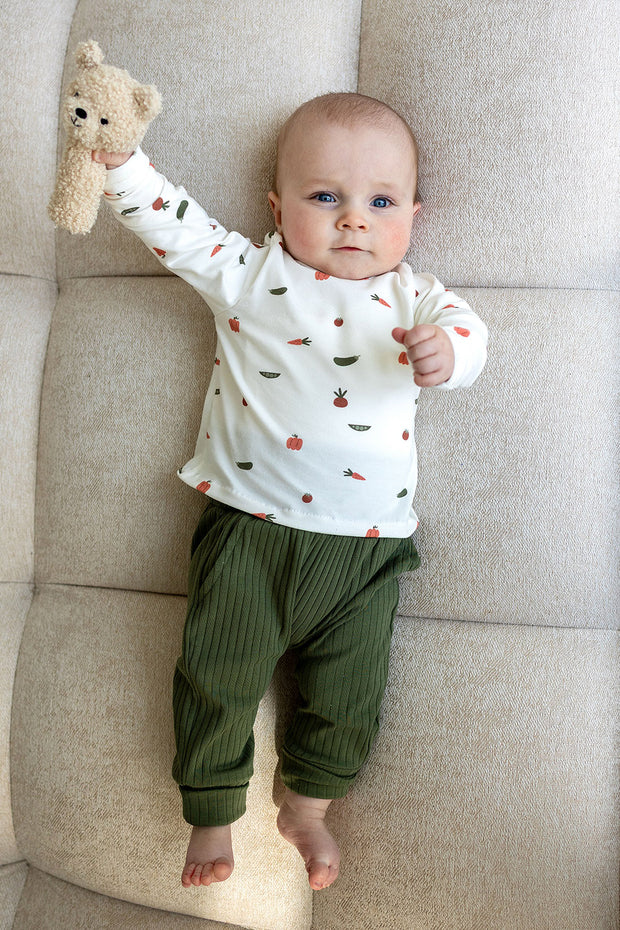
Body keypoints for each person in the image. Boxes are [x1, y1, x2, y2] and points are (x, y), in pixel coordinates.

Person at [95, 91, 488, 892]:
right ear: (278, 210)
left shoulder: (416, 297)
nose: (354, 220)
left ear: (414, 215)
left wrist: (448, 353)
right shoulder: (252, 274)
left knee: (351, 694)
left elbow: (471, 334)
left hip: (366, 553)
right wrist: (121, 165)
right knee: (216, 674)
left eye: (382, 202)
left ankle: (307, 807)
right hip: (251, 529)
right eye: (325, 197)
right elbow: (177, 226)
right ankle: (211, 809)